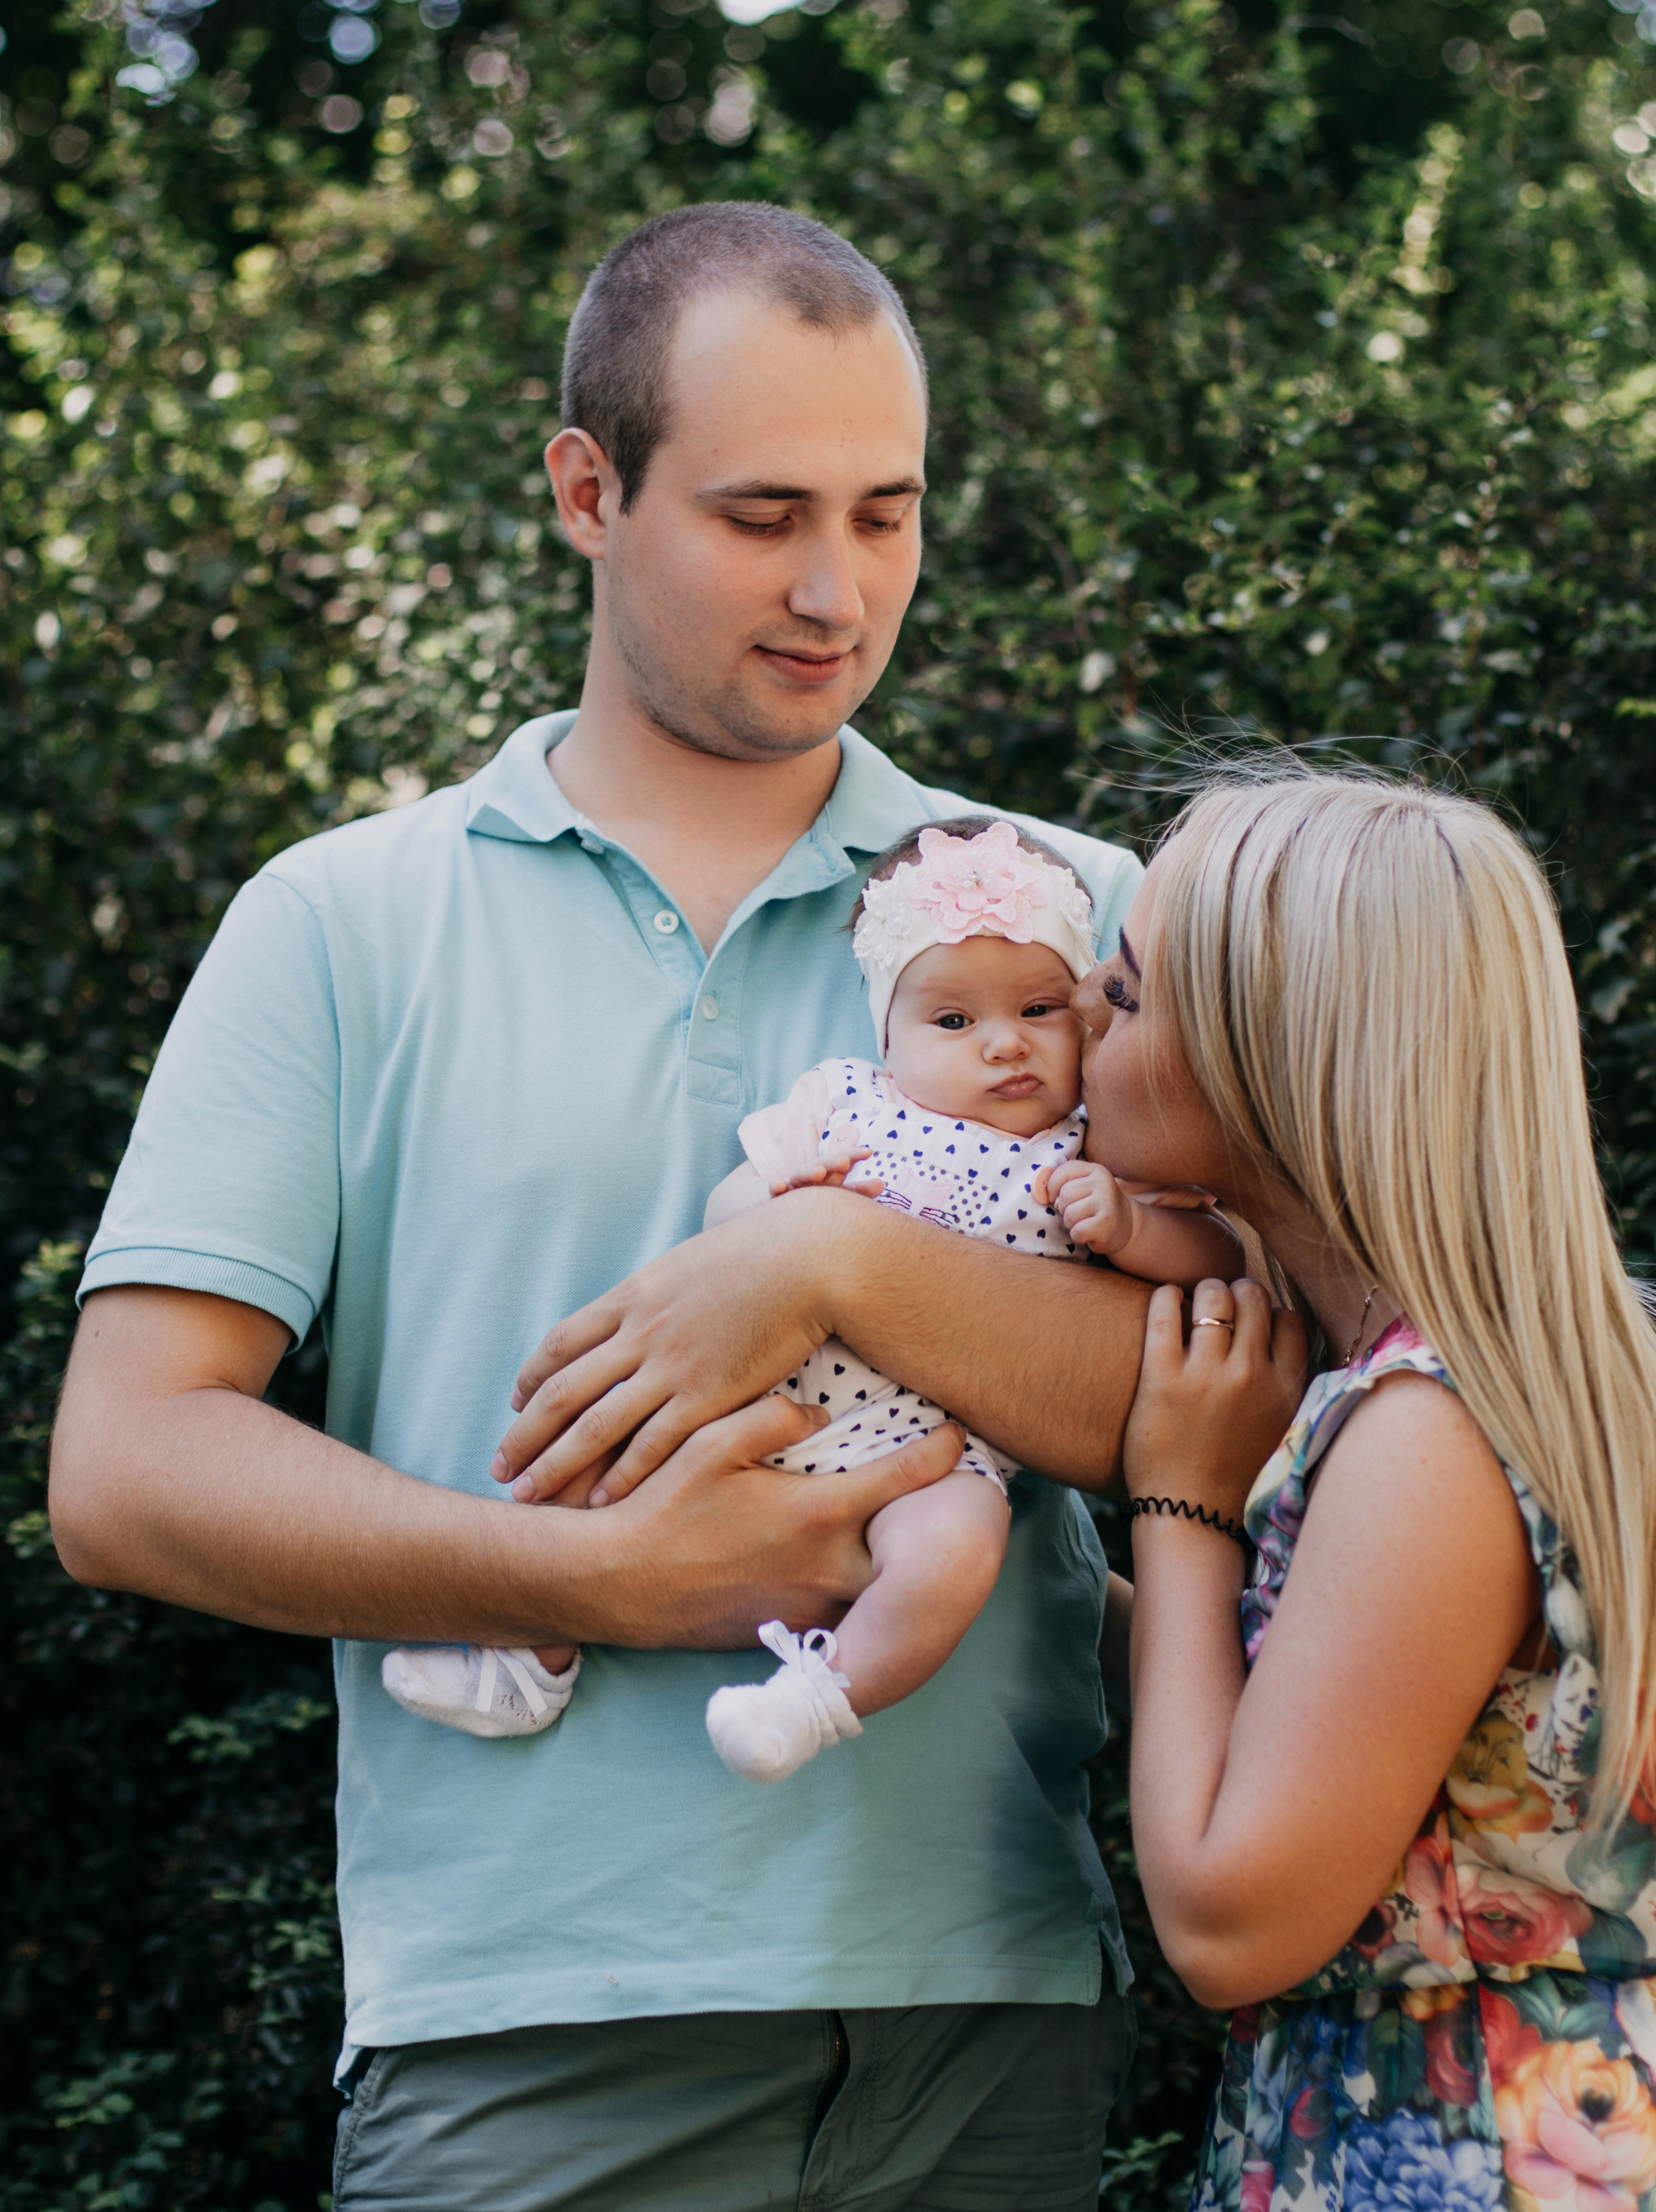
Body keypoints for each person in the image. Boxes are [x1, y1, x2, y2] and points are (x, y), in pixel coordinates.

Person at [49, 203, 1161, 2211]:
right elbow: (124, 1473)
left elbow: (1231, 1406)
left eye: (888, 513)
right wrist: (591, 1580)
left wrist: (834, 1260)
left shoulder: (1076, 922)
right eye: (761, 515)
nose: (836, 590)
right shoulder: (341, 924)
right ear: (587, 490)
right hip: (527, 2043)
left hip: (989, 2012)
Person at [1082, 766, 1656, 2209]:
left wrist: (1180, 1502)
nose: (1079, 1013)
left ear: (1267, 1063)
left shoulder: (1428, 1429)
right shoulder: (1522, 1370)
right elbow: (1330, 1737)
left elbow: (1230, 1918)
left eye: (1128, 994)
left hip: (1461, 2151)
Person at [382, 818, 1241, 1779]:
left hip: (935, 1453)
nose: (1005, 1044)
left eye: (1040, 1009)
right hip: (765, 1396)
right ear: (888, 1032)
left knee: (957, 1553)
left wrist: (1129, 1227)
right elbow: (730, 1223)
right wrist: (783, 1209)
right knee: (599, 1450)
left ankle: (817, 1700)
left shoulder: (1094, 1145)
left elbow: (1217, 1260)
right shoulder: (846, 1103)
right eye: (954, 1023)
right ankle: (527, 1657)